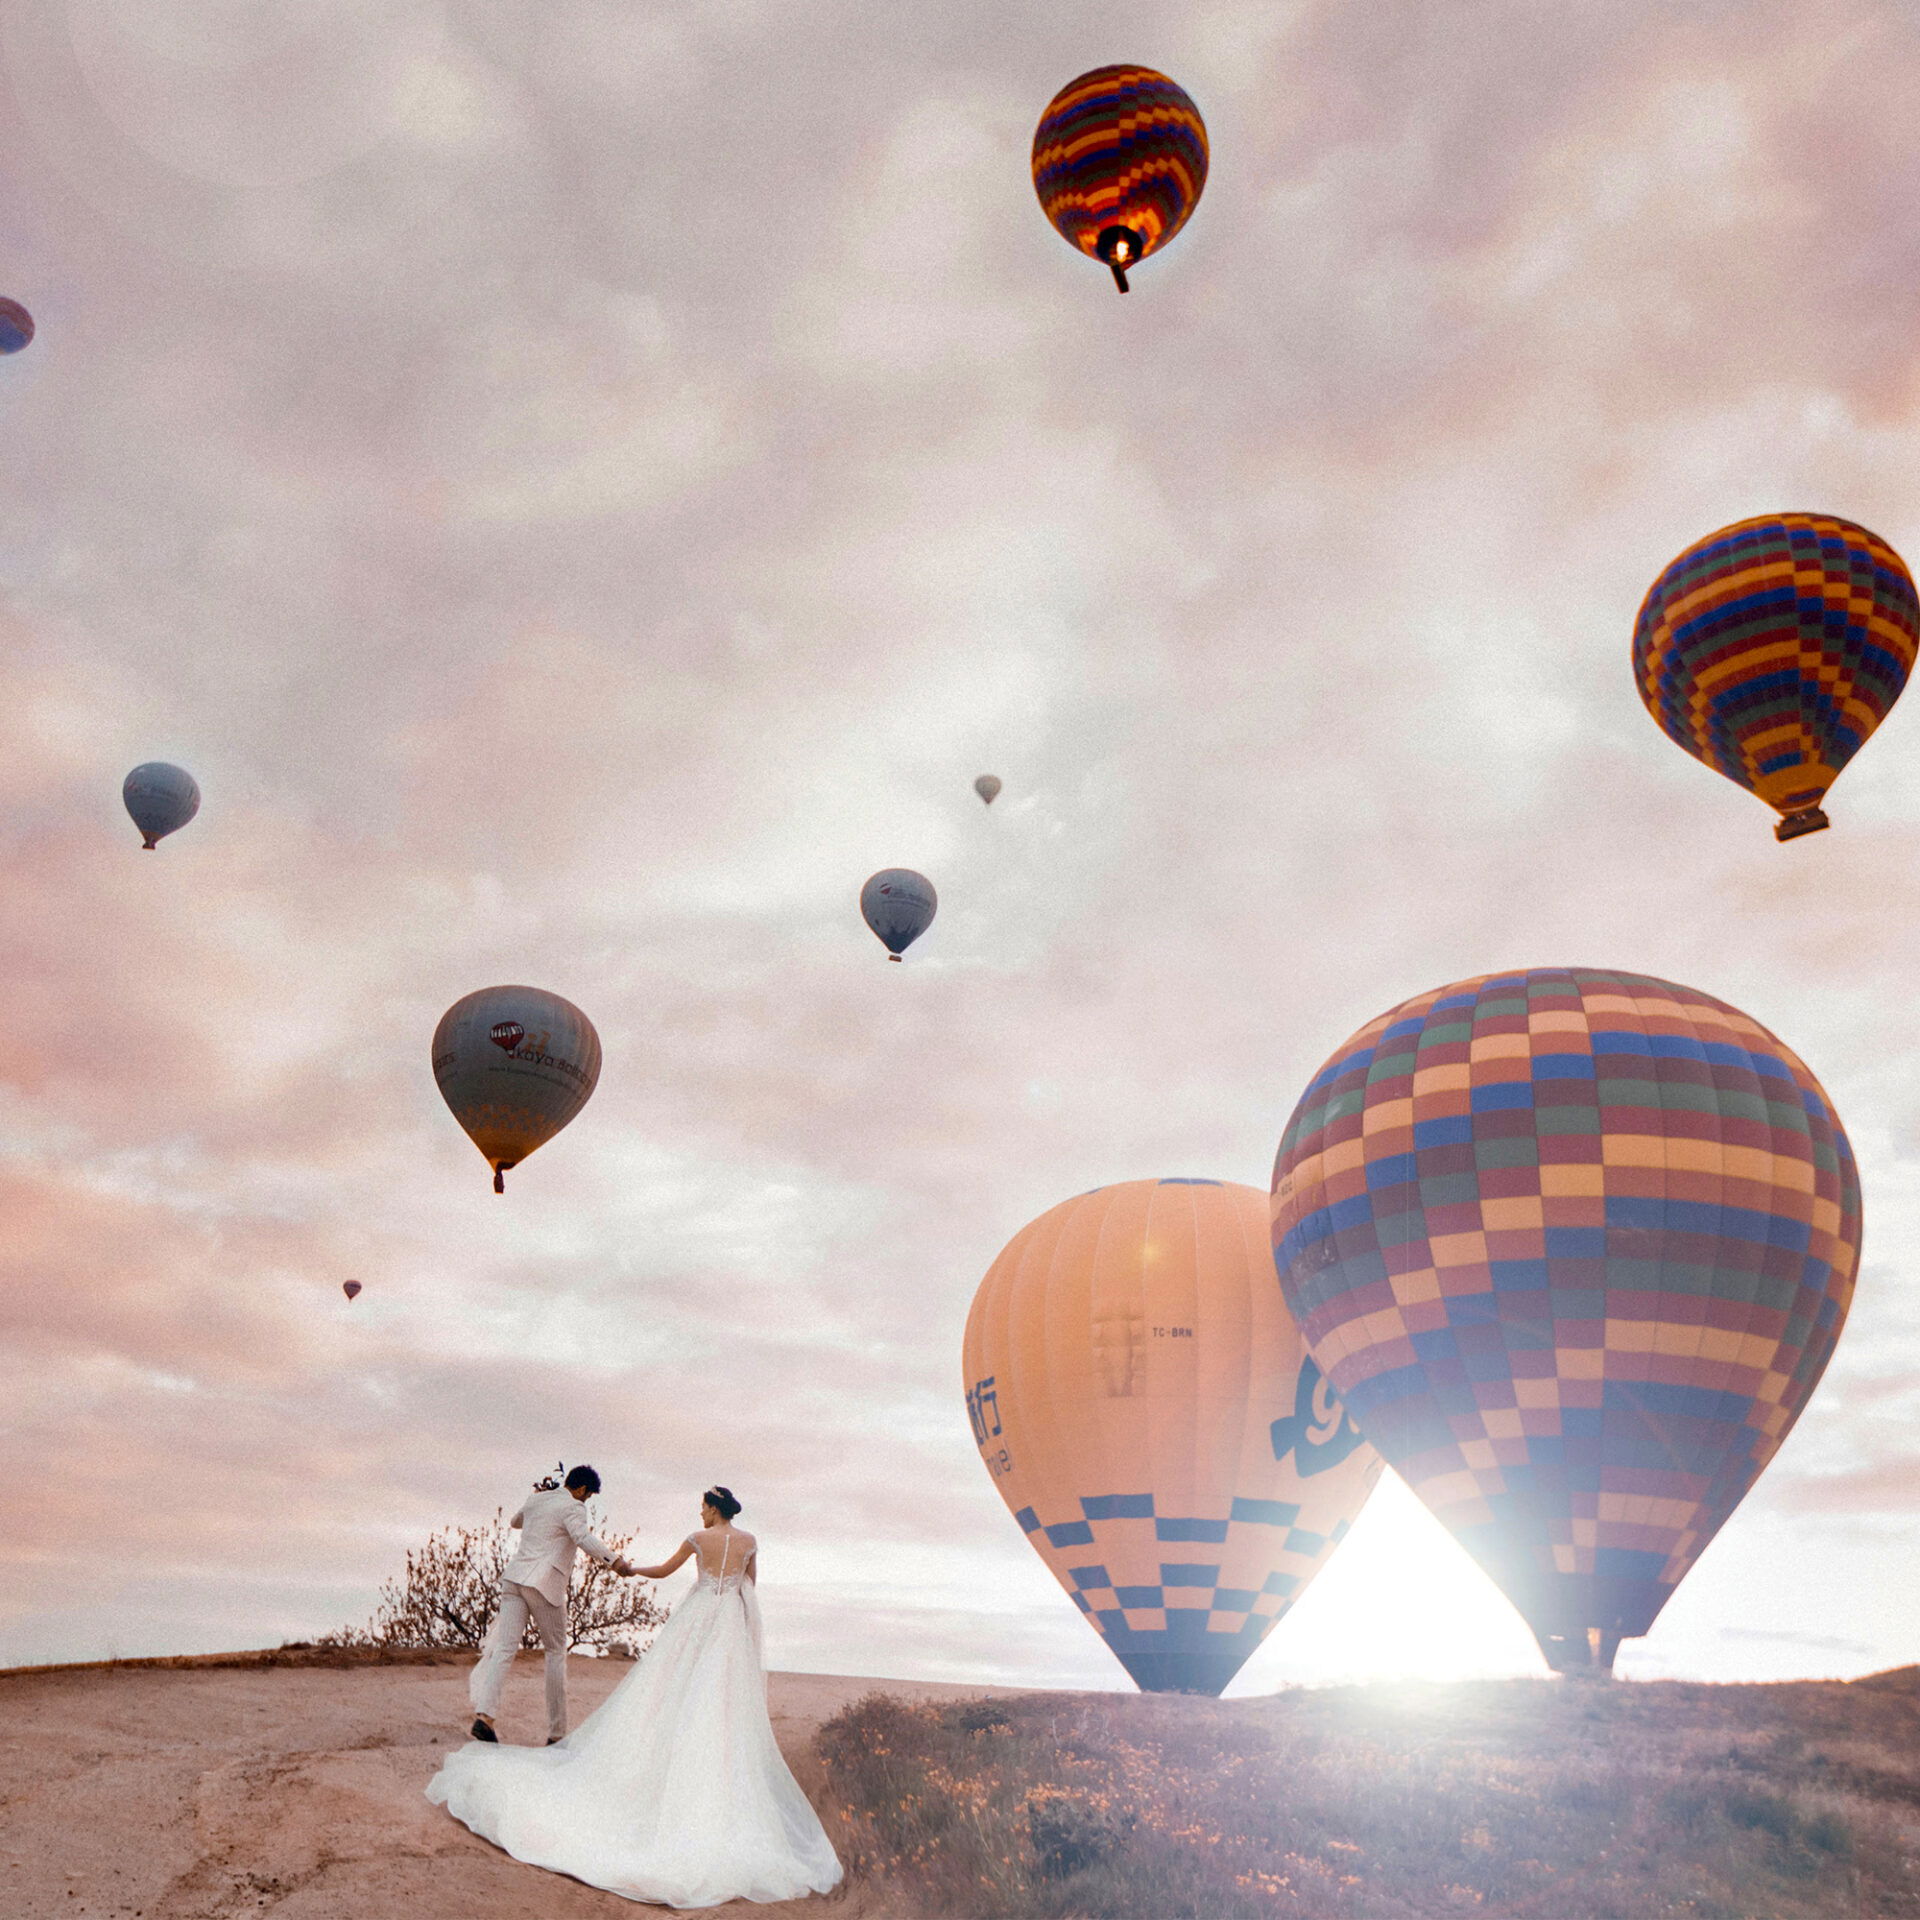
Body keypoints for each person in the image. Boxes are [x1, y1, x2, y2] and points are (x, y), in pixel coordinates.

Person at [427, 1487, 843, 1909]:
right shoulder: (750, 1542)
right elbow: (748, 1588)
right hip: (730, 1624)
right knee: (721, 1697)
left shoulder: (698, 1540)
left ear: (714, 1508)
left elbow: (664, 1571)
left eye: (702, 1505)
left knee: (673, 1684)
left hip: (699, 1616)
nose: (699, 1511)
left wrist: (630, 1569)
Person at [467, 1463, 637, 1747]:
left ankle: (485, 1718)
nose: (586, 1501)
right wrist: (614, 1561)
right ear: (581, 1489)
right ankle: (557, 1733)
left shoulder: (537, 1499)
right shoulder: (574, 1507)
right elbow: (581, 1538)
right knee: (555, 1653)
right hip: (543, 1583)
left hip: (514, 1579)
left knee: (505, 1650)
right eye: (588, 1496)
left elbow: (515, 1521)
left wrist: (541, 1495)